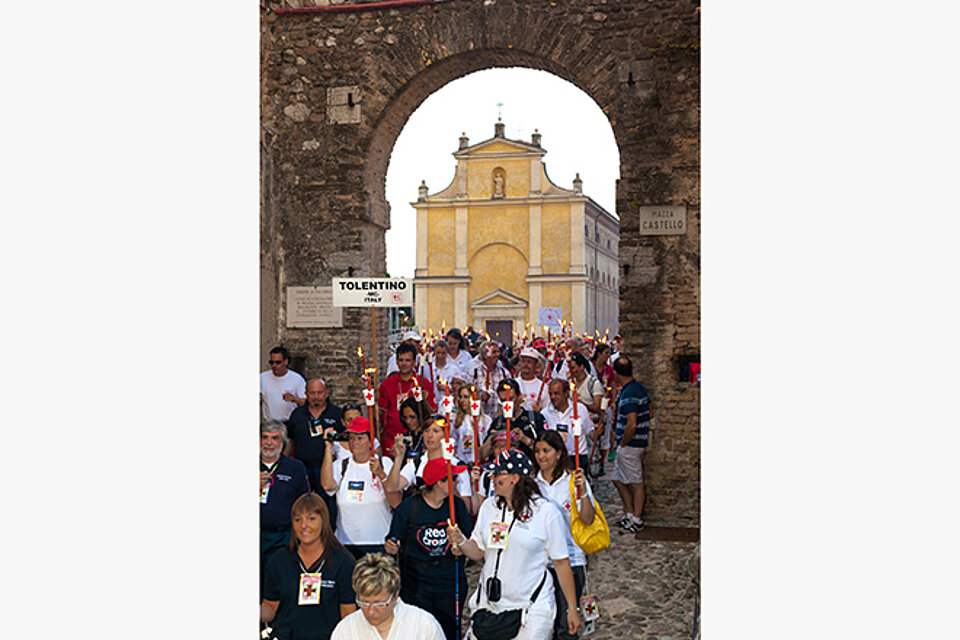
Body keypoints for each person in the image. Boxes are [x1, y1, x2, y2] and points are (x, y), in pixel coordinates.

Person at [446, 450, 582, 640]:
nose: (492, 478)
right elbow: (477, 552)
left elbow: (561, 563)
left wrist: (572, 608)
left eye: (498, 474)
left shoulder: (545, 512)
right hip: (490, 606)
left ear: (515, 478)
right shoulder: (489, 507)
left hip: (531, 608)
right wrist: (460, 540)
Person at [384, 458, 473, 640]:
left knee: (448, 632)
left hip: (449, 583)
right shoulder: (408, 508)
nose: (456, 482)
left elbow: (469, 540)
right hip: (416, 586)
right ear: (439, 483)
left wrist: (462, 547)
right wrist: (392, 546)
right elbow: (393, 539)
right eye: (452, 478)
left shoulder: (457, 506)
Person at [261, 493, 358, 640]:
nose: (304, 526)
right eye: (297, 519)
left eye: (311, 518)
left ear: (324, 520)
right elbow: (271, 608)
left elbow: (348, 616)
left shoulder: (343, 561)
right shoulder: (279, 560)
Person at [533, 432, 594, 640]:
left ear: (558, 453)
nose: (541, 456)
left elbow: (587, 518)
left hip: (571, 559)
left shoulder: (573, 481)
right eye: (538, 451)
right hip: (540, 562)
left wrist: (583, 491)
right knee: (541, 621)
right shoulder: (532, 484)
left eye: (546, 451)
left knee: (566, 623)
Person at [321, 417, 402, 559]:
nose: (354, 443)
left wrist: (381, 475)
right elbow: (328, 486)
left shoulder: (384, 463)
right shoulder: (341, 465)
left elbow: (396, 502)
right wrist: (328, 448)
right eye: (351, 438)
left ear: (371, 441)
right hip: (346, 544)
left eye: (360, 438)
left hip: (379, 541)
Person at [331, 553, 445, 640]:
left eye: (379, 604)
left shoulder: (423, 624)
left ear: (395, 595)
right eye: (364, 603)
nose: (371, 611)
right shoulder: (345, 629)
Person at [262, 421, 310, 596]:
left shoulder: (295, 468)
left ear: (283, 443)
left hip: (284, 537)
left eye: (274, 438)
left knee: (280, 586)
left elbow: (305, 503)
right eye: (264, 438)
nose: (269, 443)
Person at [287, 379, 344, 517]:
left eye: (320, 393)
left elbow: (344, 442)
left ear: (326, 393)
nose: (316, 396)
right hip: (302, 468)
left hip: (326, 468)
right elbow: (290, 440)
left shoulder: (337, 414)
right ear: (306, 394)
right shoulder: (297, 414)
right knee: (302, 505)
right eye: (312, 393)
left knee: (327, 507)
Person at [386, 416, 473, 499]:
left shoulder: (458, 466)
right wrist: (399, 458)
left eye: (435, 431)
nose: (430, 435)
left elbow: (467, 507)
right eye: (427, 431)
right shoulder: (417, 464)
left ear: (445, 435)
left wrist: (452, 490)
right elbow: (391, 487)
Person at [610, 355, 650, 533]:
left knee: (636, 482)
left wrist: (625, 442)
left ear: (617, 373)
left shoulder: (629, 393)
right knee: (617, 479)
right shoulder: (639, 389)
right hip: (630, 444)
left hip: (631, 445)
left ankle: (637, 519)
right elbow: (650, 412)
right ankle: (629, 514)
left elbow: (631, 423)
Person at [379, 342, 437, 455]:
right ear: (396, 361)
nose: (404, 364)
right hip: (393, 438)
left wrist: (423, 400)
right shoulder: (387, 384)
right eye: (401, 360)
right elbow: (381, 413)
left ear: (414, 362)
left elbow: (432, 414)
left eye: (407, 360)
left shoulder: (424, 383)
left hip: (417, 439)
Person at [479, 378, 546, 463]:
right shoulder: (497, 423)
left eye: (511, 399)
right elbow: (482, 455)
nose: (508, 404)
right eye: (503, 400)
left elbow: (545, 450)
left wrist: (525, 439)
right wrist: (491, 438)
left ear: (519, 397)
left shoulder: (535, 419)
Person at [540, 379, 594, 473]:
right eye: (550, 394)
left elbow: (591, 432)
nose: (553, 397)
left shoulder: (580, 409)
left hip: (577, 458)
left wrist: (599, 432)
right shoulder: (544, 414)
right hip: (556, 459)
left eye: (556, 393)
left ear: (566, 393)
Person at [261, 347, 307, 423]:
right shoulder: (262, 378)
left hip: (290, 422)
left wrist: (294, 399)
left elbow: (307, 403)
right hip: (270, 423)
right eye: (271, 362)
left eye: (278, 362)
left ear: (286, 362)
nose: (274, 365)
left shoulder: (297, 379)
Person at [466, 339, 510, 419]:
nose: (497, 354)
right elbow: (467, 394)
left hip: (499, 418)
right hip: (480, 419)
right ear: (485, 355)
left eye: (498, 351)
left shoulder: (505, 373)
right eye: (494, 352)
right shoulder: (475, 373)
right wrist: (480, 396)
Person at [452, 383, 491, 463]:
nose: (462, 400)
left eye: (466, 397)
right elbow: (454, 442)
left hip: (480, 462)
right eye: (460, 397)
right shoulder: (457, 420)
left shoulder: (486, 420)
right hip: (463, 462)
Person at [516, 347, 548, 411]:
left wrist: (539, 411)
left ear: (536, 364)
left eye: (529, 362)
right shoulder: (513, 383)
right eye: (523, 361)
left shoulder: (543, 386)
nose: (525, 364)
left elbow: (547, 410)